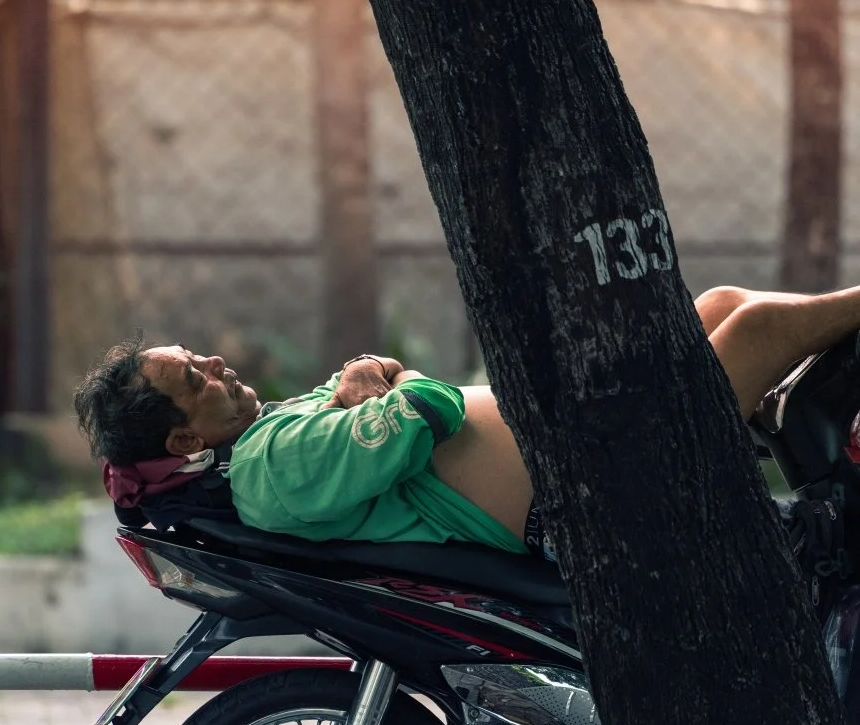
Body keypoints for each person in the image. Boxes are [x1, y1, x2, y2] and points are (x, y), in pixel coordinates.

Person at [73, 285, 860, 556]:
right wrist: (391, 375)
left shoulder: (272, 436)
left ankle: (800, 439)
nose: (216, 365)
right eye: (193, 377)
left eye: (199, 357)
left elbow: (367, 395)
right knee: (751, 332)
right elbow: (428, 406)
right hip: (583, 493)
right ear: (182, 439)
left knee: (719, 309)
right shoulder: (271, 467)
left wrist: (362, 376)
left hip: (577, 452)